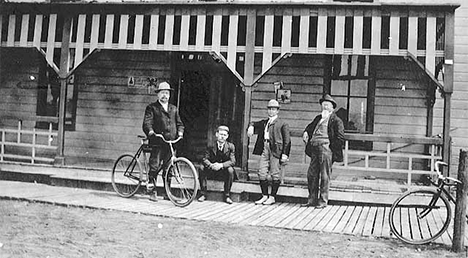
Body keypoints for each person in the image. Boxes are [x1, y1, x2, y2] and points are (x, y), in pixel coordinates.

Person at [142, 81, 184, 202]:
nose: (164, 95)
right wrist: (150, 132)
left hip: (171, 143)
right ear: (158, 95)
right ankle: (152, 191)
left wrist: (180, 133)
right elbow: (147, 123)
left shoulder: (174, 109)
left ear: (169, 95)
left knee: (169, 168)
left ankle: (167, 193)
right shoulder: (152, 107)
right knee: (154, 166)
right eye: (162, 93)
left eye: (166, 93)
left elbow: (180, 124)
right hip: (158, 142)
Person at [302, 94, 344, 209]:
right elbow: (309, 127)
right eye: (323, 105)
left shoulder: (336, 120)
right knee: (312, 174)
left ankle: (323, 201)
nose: (325, 107)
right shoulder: (318, 118)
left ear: (332, 108)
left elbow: (340, 138)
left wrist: (330, 147)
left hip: (326, 149)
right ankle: (311, 200)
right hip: (315, 148)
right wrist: (306, 132)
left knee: (325, 176)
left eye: (327, 105)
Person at [247, 99, 291, 205]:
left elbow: (287, 140)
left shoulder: (282, 123)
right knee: (262, 173)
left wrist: (285, 154)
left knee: (275, 174)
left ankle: (272, 197)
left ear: (277, 111)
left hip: (276, 150)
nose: (271, 111)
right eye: (270, 109)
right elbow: (253, 122)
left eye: (273, 109)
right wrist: (251, 127)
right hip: (265, 148)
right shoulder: (265, 122)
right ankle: (264, 195)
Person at [197, 125, 237, 204]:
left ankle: (227, 195)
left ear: (227, 136)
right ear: (216, 134)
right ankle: (203, 194)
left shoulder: (231, 146)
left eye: (224, 135)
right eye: (221, 134)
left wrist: (221, 165)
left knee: (230, 170)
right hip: (212, 170)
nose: (222, 137)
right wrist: (211, 165)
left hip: (223, 171)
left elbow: (233, 161)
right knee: (201, 168)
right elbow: (204, 159)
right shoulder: (210, 145)